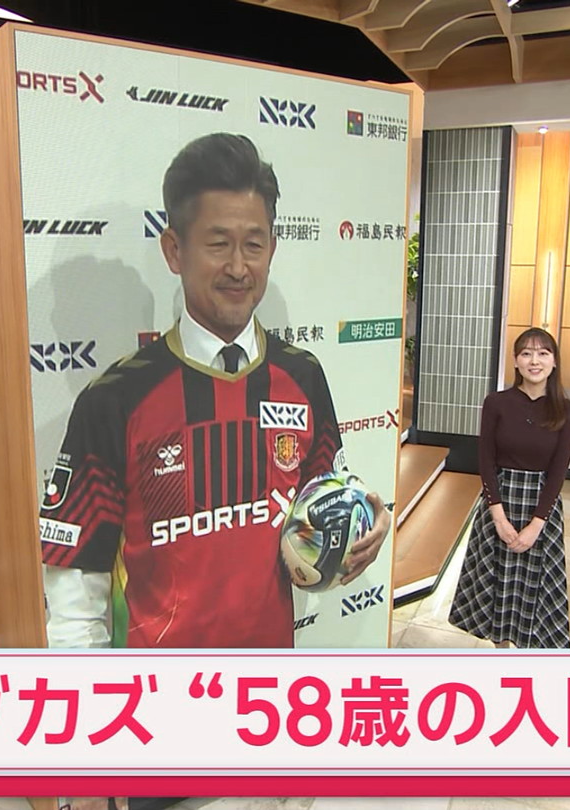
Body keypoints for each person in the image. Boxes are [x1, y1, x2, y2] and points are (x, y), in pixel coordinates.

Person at [37, 132, 391, 649]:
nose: (238, 267)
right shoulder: (113, 400)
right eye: (218, 244)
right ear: (174, 250)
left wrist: (362, 532)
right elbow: (75, 593)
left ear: (272, 249)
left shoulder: (304, 376)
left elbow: (320, 512)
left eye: (254, 244)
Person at [449, 327, 570, 649]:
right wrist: (498, 516)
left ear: (554, 362)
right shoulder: (496, 403)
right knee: (497, 584)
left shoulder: (568, 412)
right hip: (500, 501)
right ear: (516, 361)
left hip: (541, 507)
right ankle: (500, 651)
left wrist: (536, 525)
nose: (534, 361)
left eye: (543, 353)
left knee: (535, 588)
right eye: (526, 353)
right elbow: (486, 459)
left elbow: (558, 472)